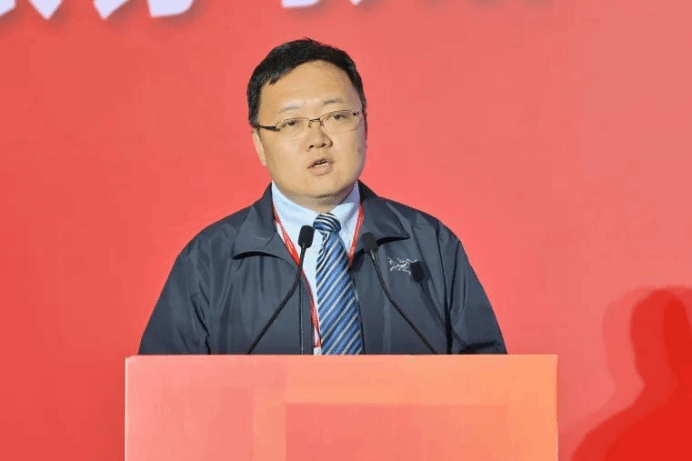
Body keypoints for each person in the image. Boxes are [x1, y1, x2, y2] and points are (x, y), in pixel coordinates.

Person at [139, 38, 506, 355]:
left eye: (337, 116)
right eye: (291, 123)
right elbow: (165, 396)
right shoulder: (209, 262)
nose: (318, 139)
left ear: (364, 124)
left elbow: (488, 381)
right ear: (259, 143)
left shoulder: (430, 244)